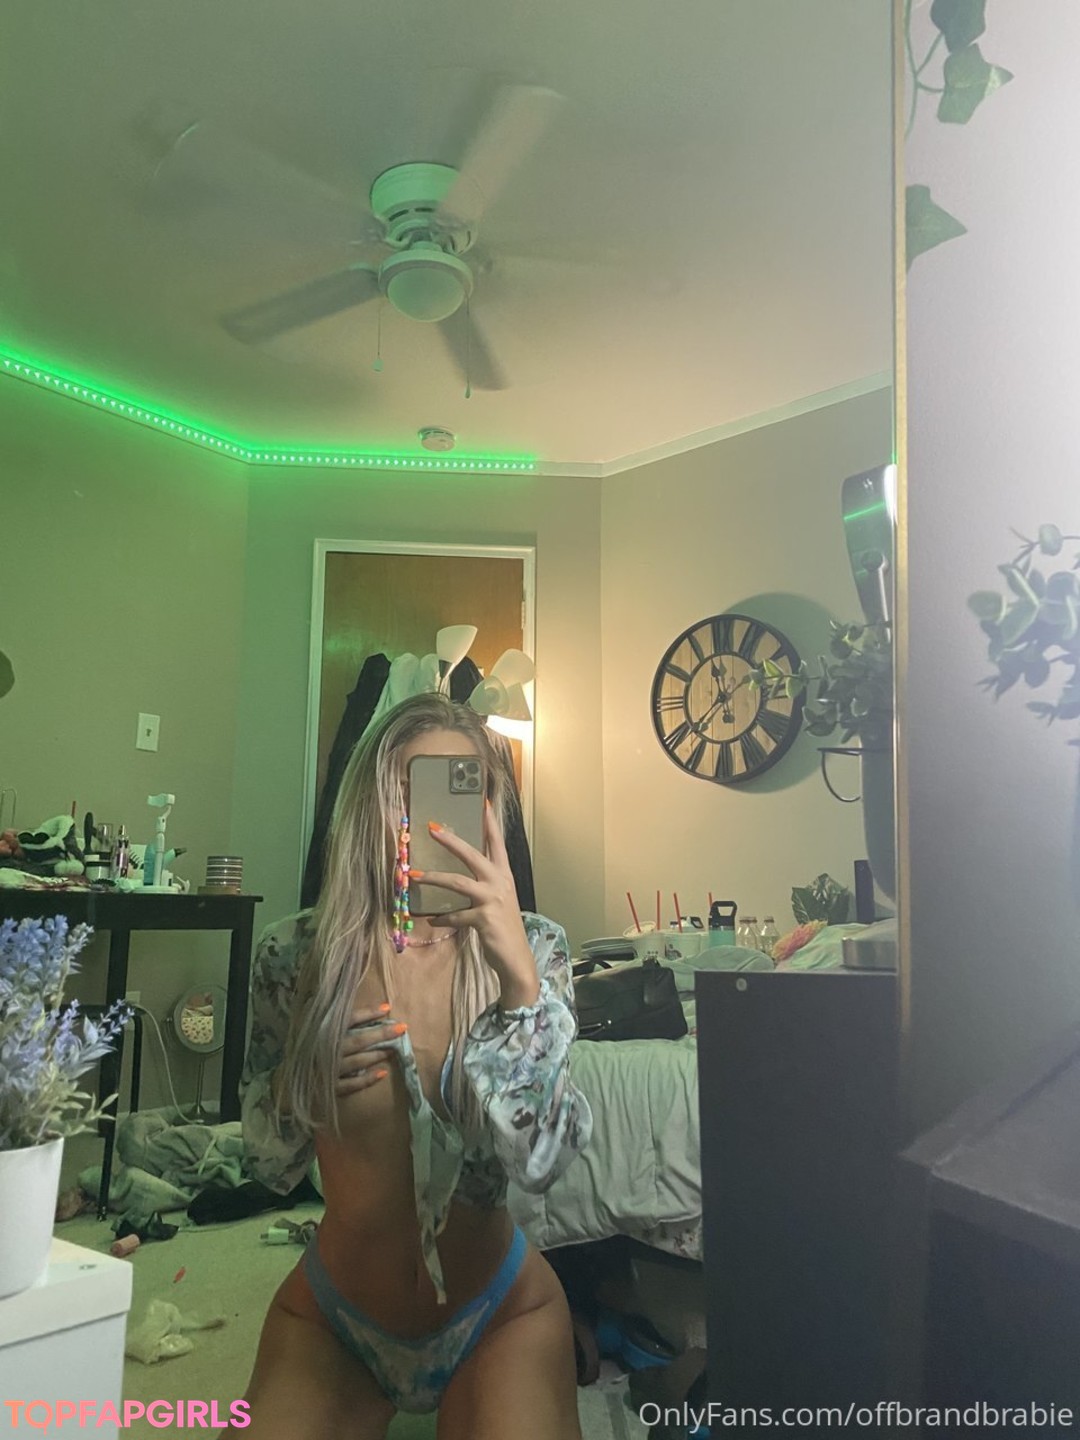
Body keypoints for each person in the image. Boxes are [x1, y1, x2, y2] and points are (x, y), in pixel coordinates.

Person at [231, 692, 592, 1438]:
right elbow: (268, 1165)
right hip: (336, 1319)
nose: (429, 821)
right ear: (369, 806)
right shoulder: (295, 956)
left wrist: (520, 986)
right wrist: (299, 1088)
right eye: (410, 789)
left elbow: (546, 1164)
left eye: (459, 789)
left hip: (499, 1313)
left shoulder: (538, 950)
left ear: (488, 811)